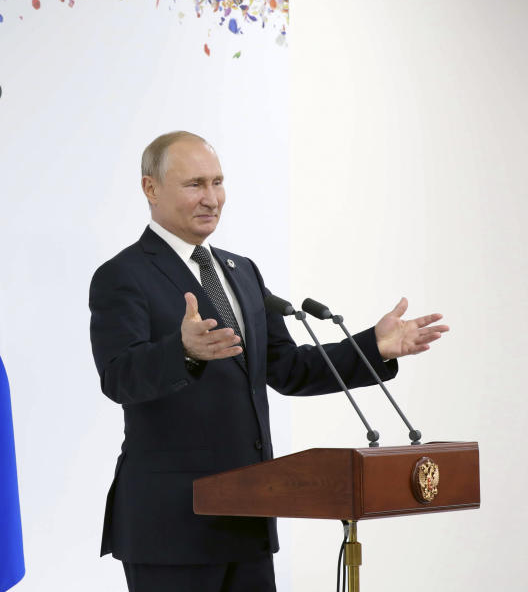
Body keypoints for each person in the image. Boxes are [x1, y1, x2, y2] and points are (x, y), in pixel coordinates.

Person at [88, 131, 449, 592]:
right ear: (150, 189)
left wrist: (371, 348)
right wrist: (181, 351)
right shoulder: (124, 275)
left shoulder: (241, 270)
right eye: (195, 184)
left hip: (247, 520)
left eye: (218, 182)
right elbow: (119, 377)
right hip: (170, 528)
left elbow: (287, 368)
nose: (212, 198)